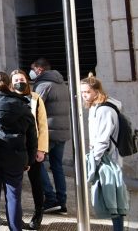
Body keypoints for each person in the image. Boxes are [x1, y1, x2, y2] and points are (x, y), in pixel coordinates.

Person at [0, 71, 37, 231]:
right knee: (14, 197)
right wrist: (29, 159)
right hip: (15, 157)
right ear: (10, 85)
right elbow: (32, 135)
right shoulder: (22, 105)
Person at [80, 75, 129, 231]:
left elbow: (102, 139)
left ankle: (118, 229)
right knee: (112, 195)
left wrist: (94, 160)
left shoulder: (104, 110)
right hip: (106, 156)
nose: (84, 95)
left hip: (108, 158)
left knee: (113, 196)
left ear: (96, 91)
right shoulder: (97, 107)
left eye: (87, 92)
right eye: (82, 92)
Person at [30, 58, 70, 214]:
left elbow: (34, 109)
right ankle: (62, 201)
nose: (31, 72)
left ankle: (51, 198)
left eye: (33, 69)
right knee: (57, 166)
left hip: (48, 133)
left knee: (37, 163)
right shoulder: (62, 84)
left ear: (39, 69)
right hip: (62, 132)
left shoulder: (43, 85)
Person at [11, 69, 49, 230]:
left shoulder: (35, 98)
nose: (19, 82)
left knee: (36, 182)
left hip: (32, 147)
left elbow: (43, 125)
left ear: (27, 80)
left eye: (21, 79)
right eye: (16, 80)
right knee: (14, 184)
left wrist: (41, 149)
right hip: (15, 148)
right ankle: (15, 215)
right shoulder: (9, 98)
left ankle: (38, 213)